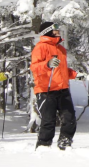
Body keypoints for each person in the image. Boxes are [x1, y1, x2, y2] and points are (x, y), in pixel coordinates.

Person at [30, 21, 86, 150]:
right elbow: (34, 68)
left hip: (63, 89)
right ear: (47, 32)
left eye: (58, 30)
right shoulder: (40, 47)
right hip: (46, 90)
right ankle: (43, 146)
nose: (58, 32)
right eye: (55, 30)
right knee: (48, 121)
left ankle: (65, 143)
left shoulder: (60, 49)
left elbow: (62, 70)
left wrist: (75, 75)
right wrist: (47, 64)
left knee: (69, 118)